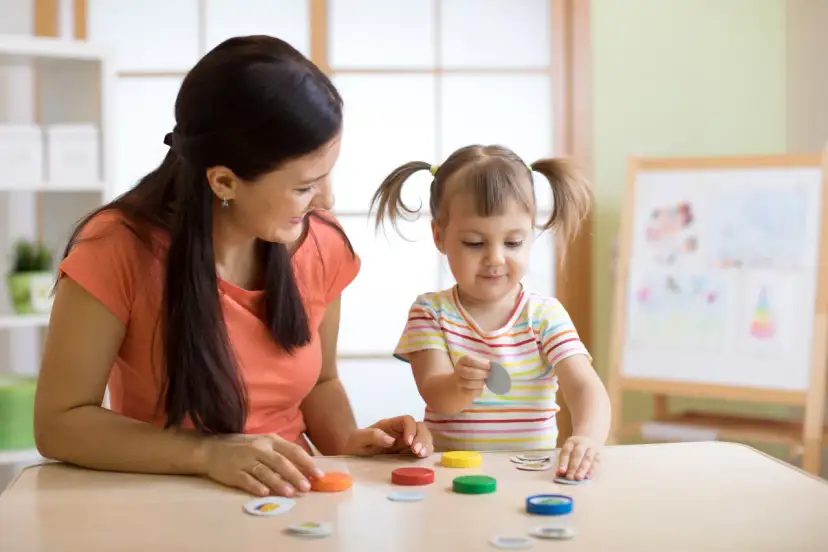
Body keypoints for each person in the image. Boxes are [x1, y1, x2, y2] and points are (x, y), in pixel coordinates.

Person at [33, 35, 432, 499]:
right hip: (159, 502)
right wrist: (209, 454)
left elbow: (320, 384)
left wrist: (353, 447)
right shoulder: (118, 247)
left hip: (289, 503)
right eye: (305, 186)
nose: (328, 201)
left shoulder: (320, 242)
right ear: (224, 180)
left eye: (327, 177)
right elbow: (60, 423)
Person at [369, 145, 611, 481]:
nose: (496, 258)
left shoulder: (544, 315)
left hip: (532, 473)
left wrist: (588, 437)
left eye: (513, 243)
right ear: (439, 236)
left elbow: (585, 387)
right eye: (474, 243)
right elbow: (437, 395)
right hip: (453, 477)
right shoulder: (431, 312)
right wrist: (458, 385)